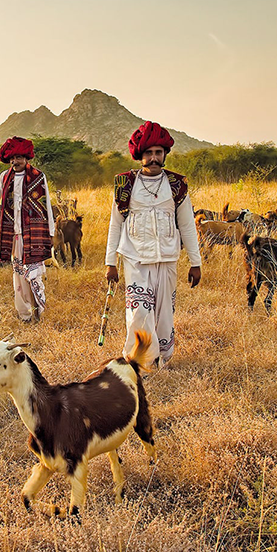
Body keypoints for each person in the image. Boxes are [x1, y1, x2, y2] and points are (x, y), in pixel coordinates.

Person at [105, 121, 201, 367]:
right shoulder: (125, 185)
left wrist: (195, 262)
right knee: (138, 312)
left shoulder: (177, 186)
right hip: (135, 259)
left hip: (168, 258)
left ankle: (162, 359)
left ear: (165, 154)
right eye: (148, 153)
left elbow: (188, 225)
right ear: (140, 156)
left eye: (158, 152)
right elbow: (115, 225)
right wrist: (110, 263)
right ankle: (140, 361)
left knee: (164, 314)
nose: (154, 157)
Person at [0, 136, 54, 322]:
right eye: (12, 158)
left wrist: (50, 233)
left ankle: (37, 313)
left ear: (26, 158)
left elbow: (46, 204)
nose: (14, 161)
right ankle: (24, 315)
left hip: (33, 234)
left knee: (33, 275)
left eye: (18, 157)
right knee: (18, 276)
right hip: (14, 234)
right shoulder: (4, 177)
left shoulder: (38, 176)